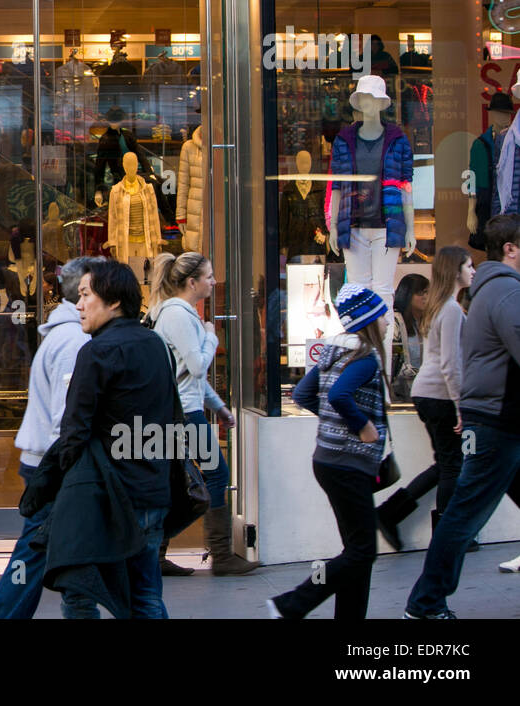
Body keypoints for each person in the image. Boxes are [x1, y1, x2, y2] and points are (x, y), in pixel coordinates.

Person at [404, 215, 520, 619]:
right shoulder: (504, 293)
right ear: (510, 248)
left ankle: (426, 601)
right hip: (495, 422)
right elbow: (456, 365)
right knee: (462, 511)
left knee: (460, 503)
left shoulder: (486, 293)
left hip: (494, 419)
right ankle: (425, 603)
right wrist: (461, 409)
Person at [54, 260, 175, 618]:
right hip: (153, 488)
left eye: (86, 295)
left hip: (108, 496)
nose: (78, 305)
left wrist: (65, 483)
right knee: (146, 594)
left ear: (113, 302)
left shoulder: (96, 352)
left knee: (78, 589)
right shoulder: (156, 344)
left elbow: (74, 430)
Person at [268, 284, 389, 620]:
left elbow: (306, 395)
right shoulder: (366, 357)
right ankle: (293, 602)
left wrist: (337, 423)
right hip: (349, 464)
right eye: (382, 316)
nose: (387, 322)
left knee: (356, 551)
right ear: (369, 320)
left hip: (328, 460)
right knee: (363, 550)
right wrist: (361, 426)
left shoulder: (335, 349)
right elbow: (338, 395)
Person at [0, 256, 97, 619]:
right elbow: (64, 421)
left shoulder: (67, 335)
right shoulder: (73, 340)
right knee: (33, 553)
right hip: (53, 465)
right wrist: (65, 474)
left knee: (50, 552)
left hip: (49, 463)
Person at [149, 251, 257, 576]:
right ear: (192, 282)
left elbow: (186, 373)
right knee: (217, 474)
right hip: (184, 413)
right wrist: (212, 337)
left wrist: (218, 407)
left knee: (178, 481)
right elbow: (196, 367)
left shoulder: (179, 314)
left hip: (183, 409)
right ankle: (222, 556)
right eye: (209, 276)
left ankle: (156, 553)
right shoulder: (179, 315)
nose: (213, 281)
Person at [378, 248, 474, 551]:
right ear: (456, 270)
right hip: (440, 395)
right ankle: (448, 532)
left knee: (447, 462)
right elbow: (450, 363)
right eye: (469, 266)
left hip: (428, 393)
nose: (473, 271)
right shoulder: (451, 310)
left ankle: (391, 513)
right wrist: (460, 406)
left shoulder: (440, 306)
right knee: (453, 464)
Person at [390, 273, 430, 401]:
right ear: (408, 295)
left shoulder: (430, 322)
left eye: (428, 292)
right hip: (401, 393)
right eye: (421, 293)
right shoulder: (395, 322)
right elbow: (393, 362)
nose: (426, 297)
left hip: (426, 391)